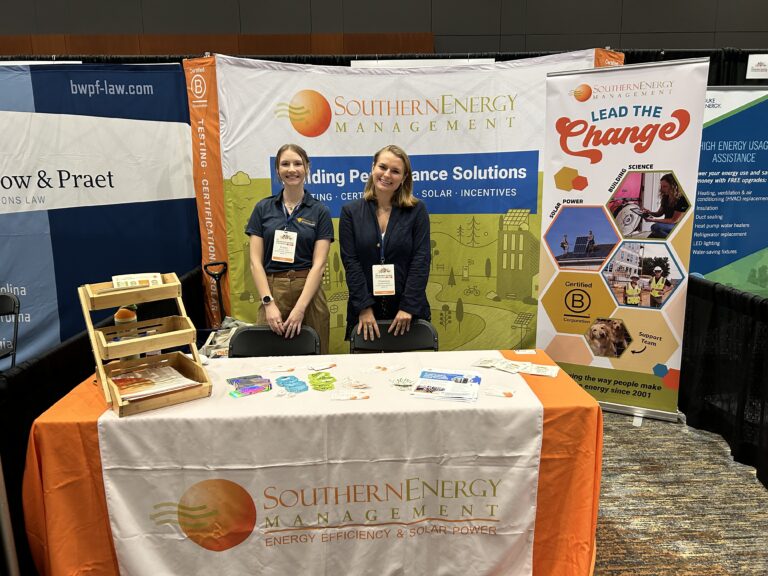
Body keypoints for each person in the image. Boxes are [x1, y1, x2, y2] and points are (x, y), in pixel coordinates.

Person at [245, 144, 334, 353]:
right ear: (277, 170)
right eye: (285, 164)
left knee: (316, 359)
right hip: (273, 290)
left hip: (309, 293)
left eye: (297, 163)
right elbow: (255, 262)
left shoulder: (320, 211)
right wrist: (268, 303)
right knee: (267, 358)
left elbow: (319, 265)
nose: (291, 169)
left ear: (307, 168)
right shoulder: (263, 208)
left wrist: (300, 308)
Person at [339, 144, 431, 341]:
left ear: (404, 178)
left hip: (407, 314)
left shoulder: (417, 210)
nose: (387, 174)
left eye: (395, 171)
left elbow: (421, 261)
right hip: (365, 316)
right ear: (373, 168)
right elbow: (351, 263)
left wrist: (408, 307)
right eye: (382, 167)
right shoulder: (350, 212)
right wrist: (363, 307)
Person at [641, 173, 689, 239]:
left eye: (665, 186)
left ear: (673, 186)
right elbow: (659, 213)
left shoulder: (682, 199)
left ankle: (675, 239)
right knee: (650, 237)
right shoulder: (665, 197)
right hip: (667, 224)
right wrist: (649, 212)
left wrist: (653, 220)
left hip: (675, 225)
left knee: (655, 227)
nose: (662, 189)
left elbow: (674, 220)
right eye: (661, 186)